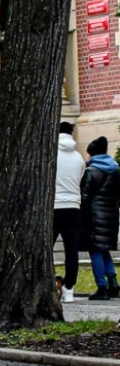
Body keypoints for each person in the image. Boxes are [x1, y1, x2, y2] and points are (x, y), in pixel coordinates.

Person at [80, 136, 120, 301]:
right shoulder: (116, 170)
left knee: (95, 250)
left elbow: (84, 196)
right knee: (103, 249)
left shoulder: (91, 171)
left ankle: (101, 286)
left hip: (93, 216)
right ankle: (113, 281)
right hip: (111, 215)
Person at [54, 122, 86, 304]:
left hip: (53, 206)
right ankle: (69, 289)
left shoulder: (50, 155)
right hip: (73, 206)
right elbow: (80, 178)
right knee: (71, 250)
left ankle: (48, 282)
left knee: (45, 247)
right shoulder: (78, 157)